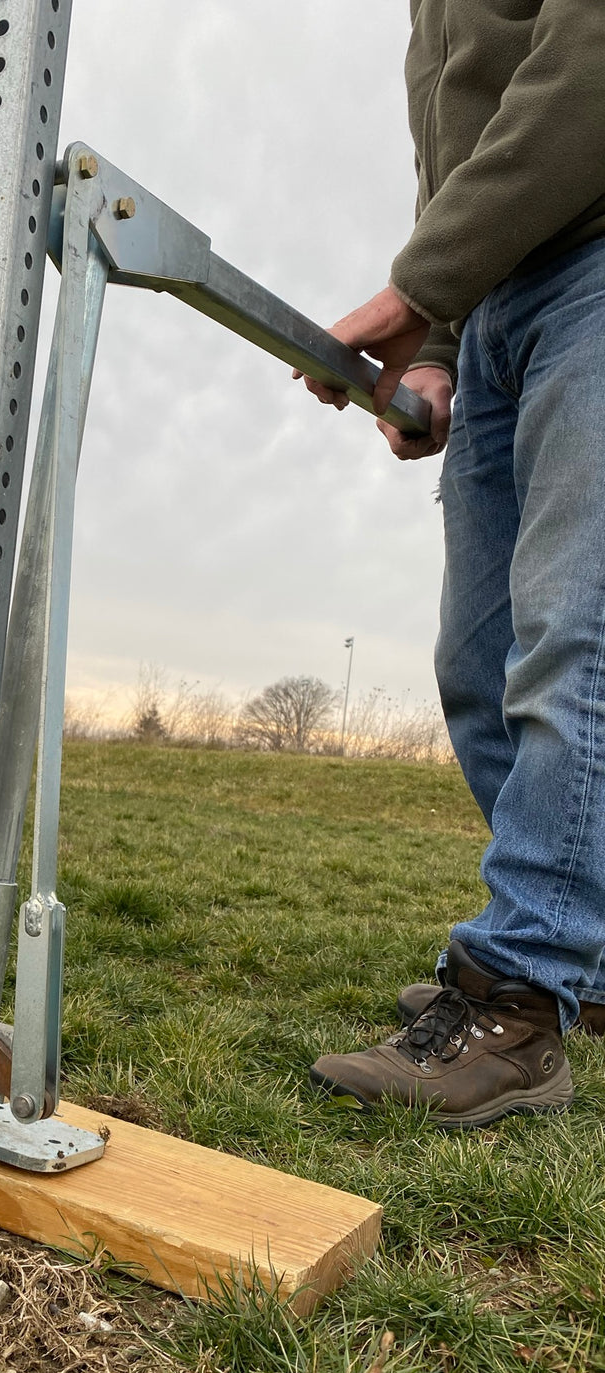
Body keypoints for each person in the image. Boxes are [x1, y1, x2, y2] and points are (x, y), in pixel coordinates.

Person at [298, 0, 605, 1128]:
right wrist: (433, 348)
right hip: (495, 306)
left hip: (596, 269)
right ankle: (586, 960)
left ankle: (518, 998)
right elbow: (463, 157)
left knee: (578, 634)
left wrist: (420, 285)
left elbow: (588, 63)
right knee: (478, 662)